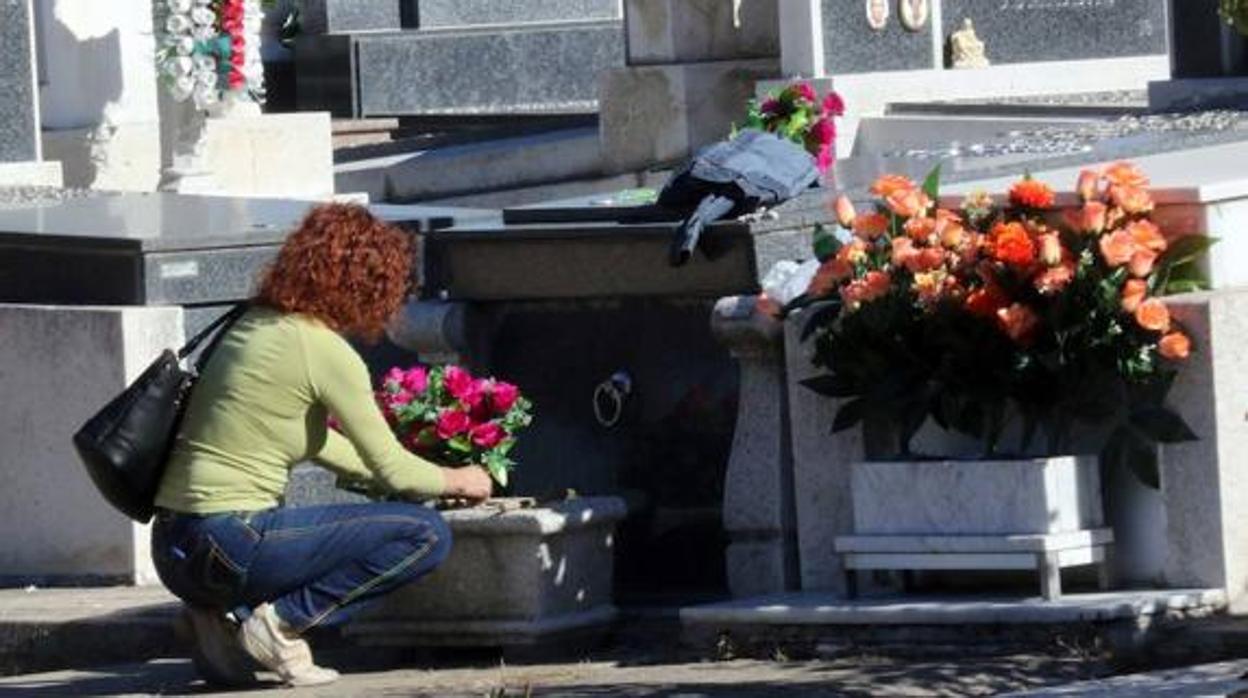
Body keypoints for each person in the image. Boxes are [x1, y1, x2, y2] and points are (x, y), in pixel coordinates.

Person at [151, 203, 493, 687]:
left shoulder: (252, 326)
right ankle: (282, 624)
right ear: (368, 284)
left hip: (174, 549)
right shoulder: (321, 349)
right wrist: (462, 478)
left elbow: (325, 446)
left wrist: (425, 479)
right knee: (425, 535)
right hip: (230, 542)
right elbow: (392, 468)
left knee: (392, 518)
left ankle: (214, 619)